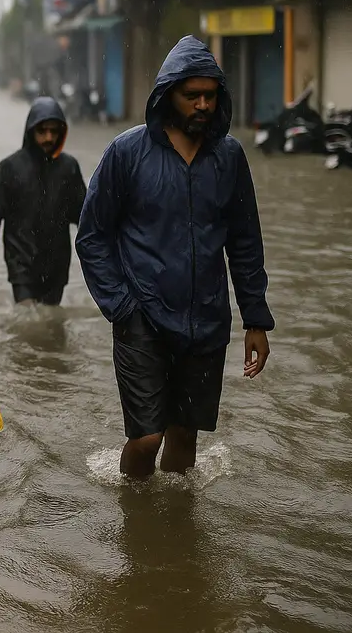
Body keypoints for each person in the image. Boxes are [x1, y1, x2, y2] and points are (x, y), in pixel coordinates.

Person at [75, 35, 275, 479]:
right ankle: (136, 526)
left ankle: (174, 537)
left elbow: (245, 242)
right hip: (141, 317)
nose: (202, 105)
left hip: (206, 319)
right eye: (192, 96)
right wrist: (122, 307)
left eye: (210, 95)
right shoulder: (128, 152)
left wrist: (256, 320)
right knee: (147, 438)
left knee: (185, 437)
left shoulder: (229, 157)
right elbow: (92, 236)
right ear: (169, 96)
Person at [0, 96, 87, 306]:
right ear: (30, 131)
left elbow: (84, 217)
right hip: (21, 263)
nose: (48, 138)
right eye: (42, 131)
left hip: (57, 265)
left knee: (50, 323)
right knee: (28, 322)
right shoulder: (9, 168)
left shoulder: (68, 167)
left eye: (54, 131)